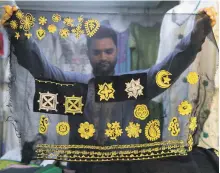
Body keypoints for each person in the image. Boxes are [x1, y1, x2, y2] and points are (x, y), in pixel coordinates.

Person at [1, 5, 218, 173]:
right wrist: (19, 36)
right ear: (88, 54)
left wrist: (195, 38)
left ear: (117, 52)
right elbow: (41, 69)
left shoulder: (132, 86)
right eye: (97, 52)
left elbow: (167, 71)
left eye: (108, 51)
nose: (103, 57)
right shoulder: (77, 87)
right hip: (84, 170)